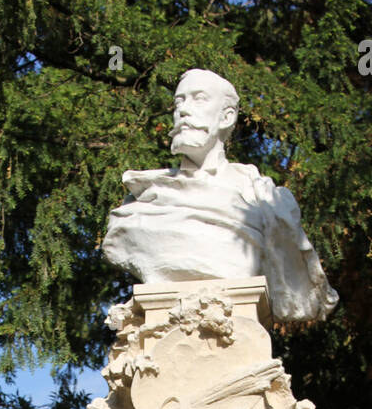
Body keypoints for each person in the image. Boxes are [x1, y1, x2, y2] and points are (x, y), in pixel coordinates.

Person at [102, 67, 338, 322]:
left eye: (199, 98)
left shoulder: (264, 200)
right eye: (178, 102)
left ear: (226, 117)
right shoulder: (141, 204)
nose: (183, 110)